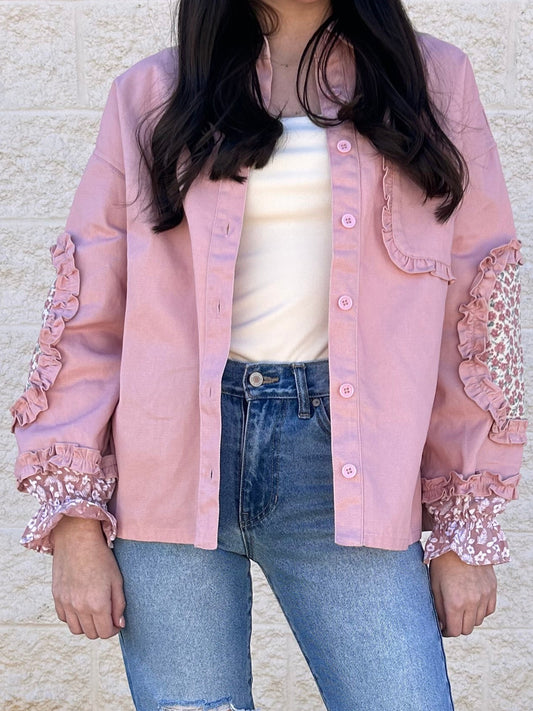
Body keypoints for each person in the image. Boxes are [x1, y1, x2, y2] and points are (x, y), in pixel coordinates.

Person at [10, 1, 526, 710]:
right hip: (171, 462)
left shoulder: (432, 81)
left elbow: (473, 309)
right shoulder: (153, 93)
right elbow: (88, 314)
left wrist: (464, 525)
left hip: (347, 464)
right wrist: (75, 524)